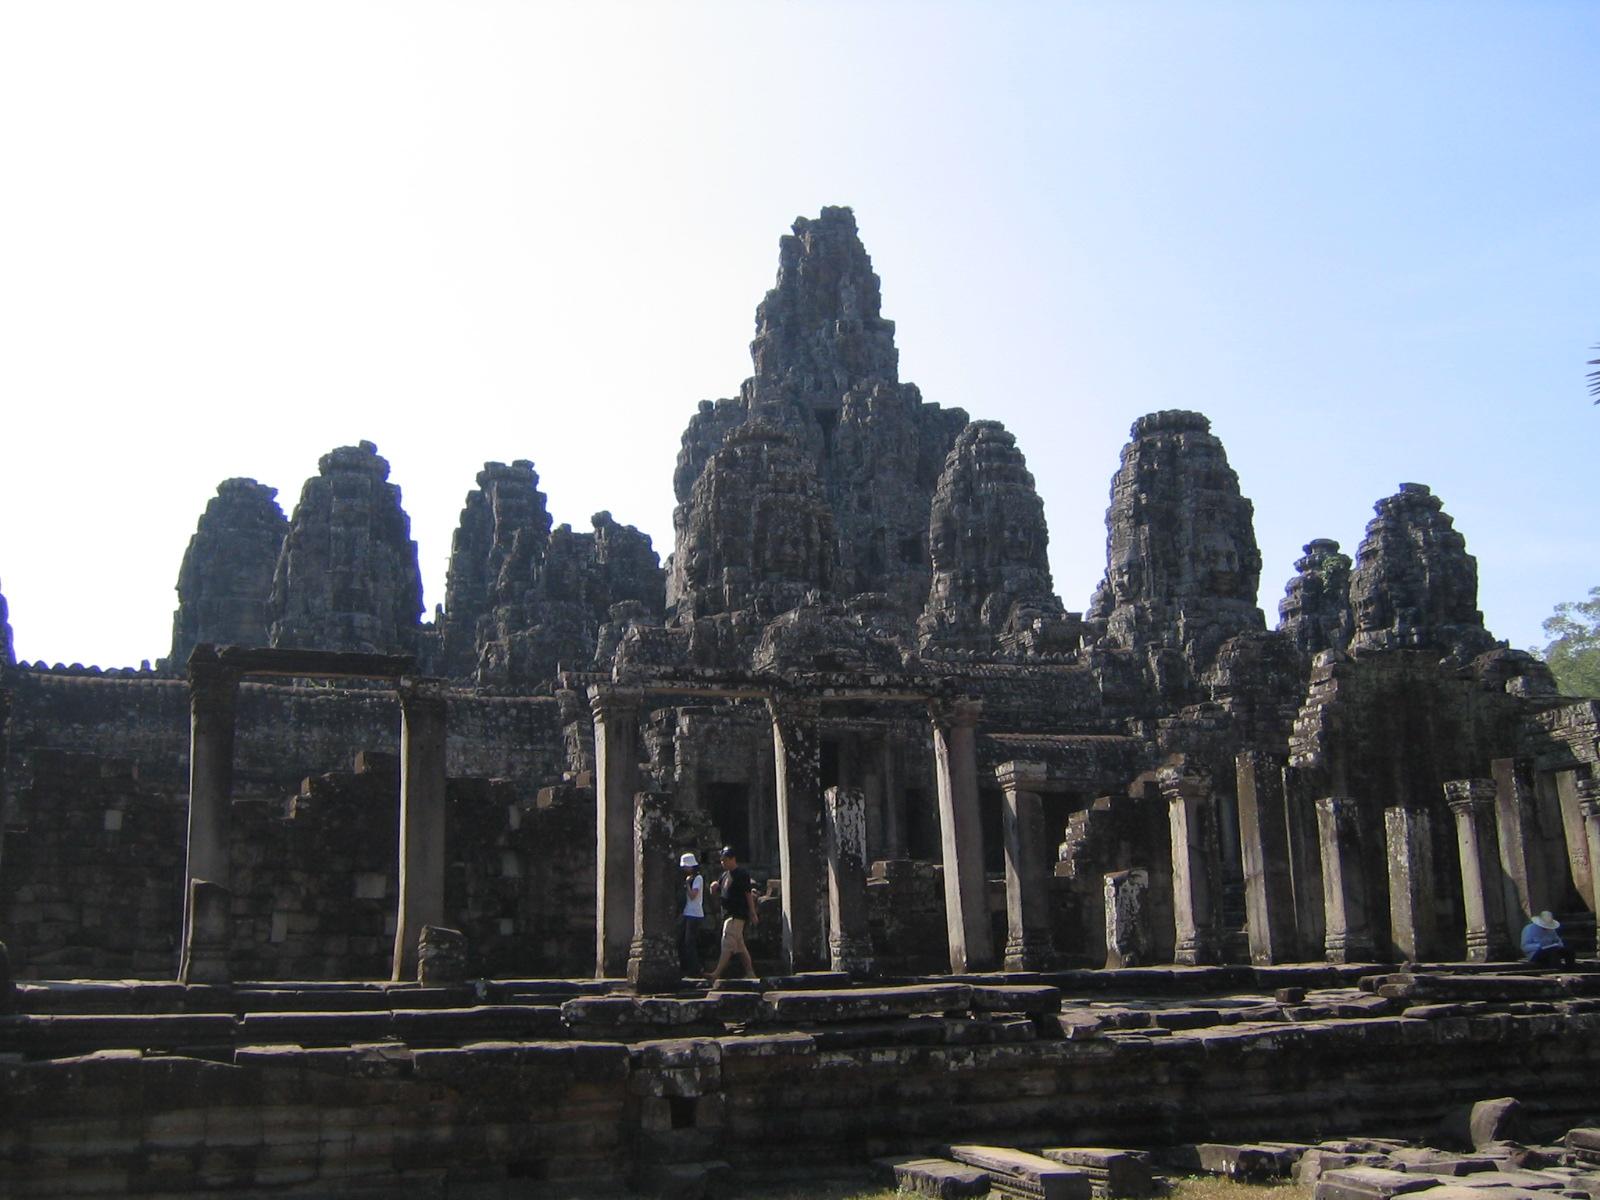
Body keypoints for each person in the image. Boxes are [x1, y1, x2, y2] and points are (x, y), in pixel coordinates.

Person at [706, 845, 758, 982]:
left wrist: (752, 912)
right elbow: (719, 891)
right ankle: (750, 973)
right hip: (728, 914)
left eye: (725, 860)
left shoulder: (741, 874)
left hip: (737, 914)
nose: (722, 862)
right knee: (740, 946)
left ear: (732, 859)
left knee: (727, 942)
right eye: (721, 860)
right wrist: (713, 887)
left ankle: (716, 973)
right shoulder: (724, 875)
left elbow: (748, 894)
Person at [679, 852, 704, 975]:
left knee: (690, 942)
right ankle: (688, 967)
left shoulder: (698, 878)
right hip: (688, 912)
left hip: (694, 914)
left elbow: (693, 895)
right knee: (685, 941)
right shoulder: (690, 878)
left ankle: (695, 968)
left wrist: (687, 884)